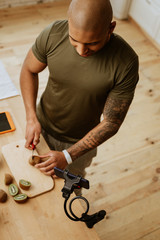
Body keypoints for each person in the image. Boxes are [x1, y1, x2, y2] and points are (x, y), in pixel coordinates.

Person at [20, 0, 139, 179]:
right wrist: (31, 117)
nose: (82, 50)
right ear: (69, 24)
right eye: (74, 40)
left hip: (79, 143)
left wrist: (68, 156)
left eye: (92, 43)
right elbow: (29, 69)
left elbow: (112, 122)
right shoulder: (53, 33)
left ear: (111, 28)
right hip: (40, 125)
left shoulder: (126, 62)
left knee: (68, 192)